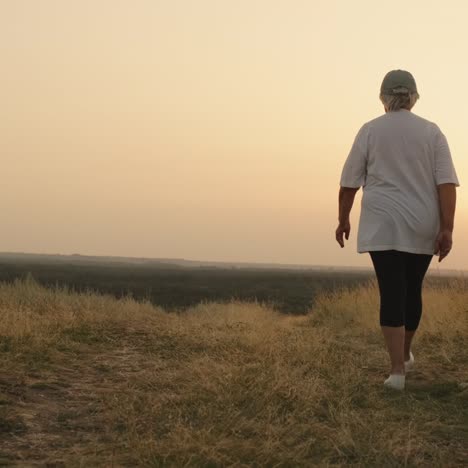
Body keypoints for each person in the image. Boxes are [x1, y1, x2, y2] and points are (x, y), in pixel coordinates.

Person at [336, 69, 460, 390]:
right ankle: (404, 355)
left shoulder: (370, 131)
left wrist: (343, 219)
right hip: (423, 223)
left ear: (383, 98)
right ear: (413, 98)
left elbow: (349, 182)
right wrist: (447, 229)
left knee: (391, 289)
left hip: (383, 223)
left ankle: (396, 373)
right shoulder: (432, 133)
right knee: (412, 289)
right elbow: (447, 184)